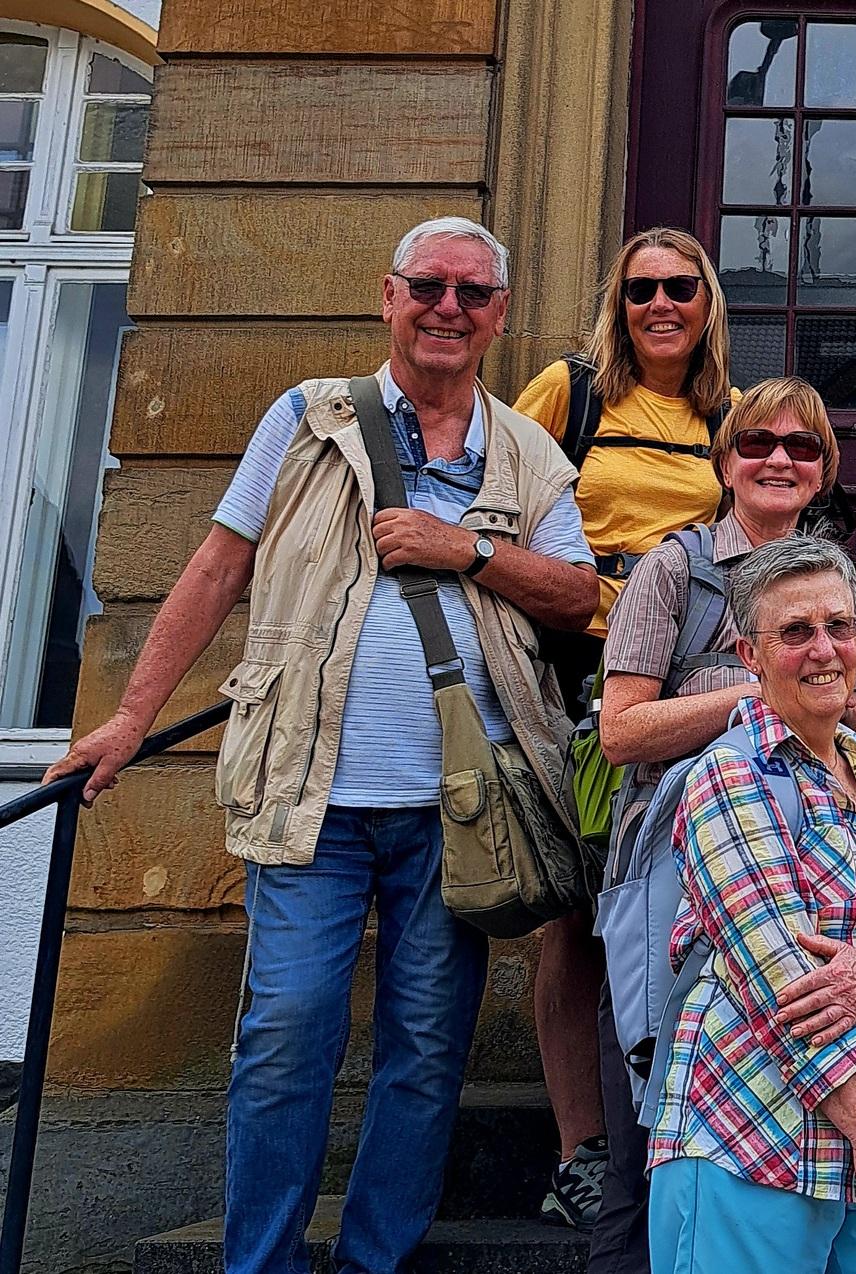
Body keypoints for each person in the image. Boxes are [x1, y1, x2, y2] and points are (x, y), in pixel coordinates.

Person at [44, 217, 598, 1273]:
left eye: (473, 293)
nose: (449, 307)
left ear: (500, 315)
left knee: (429, 1048)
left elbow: (576, 596)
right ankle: (262, 1261)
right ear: (387, 298)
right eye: (428, 286)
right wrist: (124, 719)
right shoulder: (306, 419)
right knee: (288, 1031)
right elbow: (215, 568)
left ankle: (373, 1257)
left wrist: (466, 548)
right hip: (311, 793)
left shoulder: (526, 449)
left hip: (461, 806)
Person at [587, 376, 856, 1271]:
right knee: (647, 1130)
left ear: (825, 468)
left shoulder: (832, 581)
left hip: (815, 884)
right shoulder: (671, 570)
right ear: (724, 462)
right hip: (674, 887)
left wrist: (768, 686)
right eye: (758, 444)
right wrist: (758, 693)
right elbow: (621, 730)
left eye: (800, 446)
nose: (778, 459)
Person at [647, 535, 856, 1274]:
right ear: (749, 655)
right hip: (752, 1129)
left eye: (839, 626)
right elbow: (782, 975)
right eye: (794, 632)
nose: (823, 649)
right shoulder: (728, 778)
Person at [511, 226, 736, 1230]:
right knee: (574, 909)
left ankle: (667, 1125)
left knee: (660, 900)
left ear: (707, 300)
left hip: (680, 680)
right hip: (575, 669)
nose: (660, 305)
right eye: (641, 287)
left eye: (679, 287)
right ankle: (580, 1149)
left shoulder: (726, 416)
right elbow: (500, 502)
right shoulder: (572, 391)